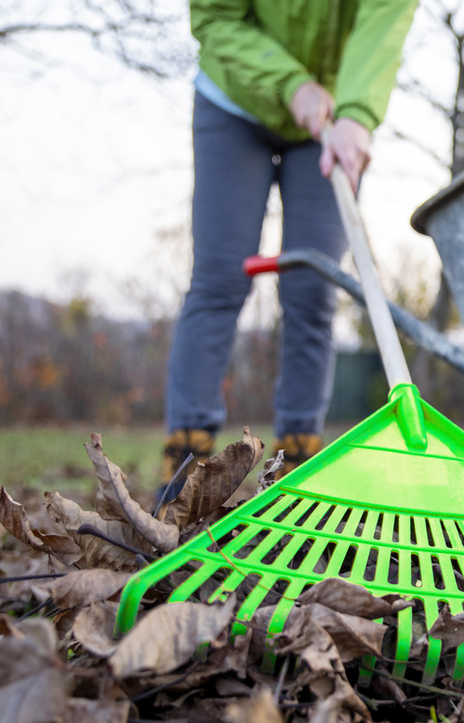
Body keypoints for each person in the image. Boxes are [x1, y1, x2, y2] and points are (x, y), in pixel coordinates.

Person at [161, 0, 418, 498]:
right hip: (234, 100)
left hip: (331, 120)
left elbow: (384, 20)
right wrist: (291, 85)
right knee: (219, 280)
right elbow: (215, 17)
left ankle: (295, 471)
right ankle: (186, 471)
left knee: (313, 291)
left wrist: (358, 114)